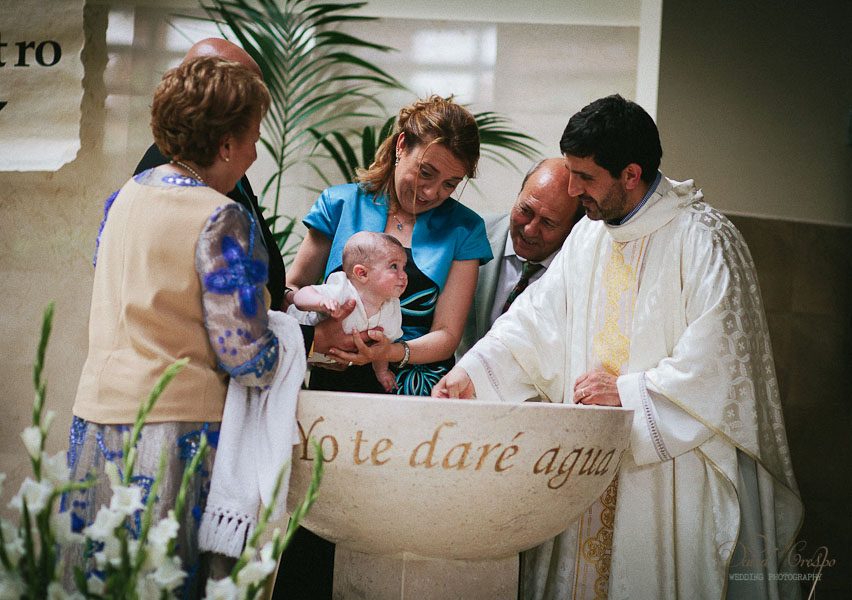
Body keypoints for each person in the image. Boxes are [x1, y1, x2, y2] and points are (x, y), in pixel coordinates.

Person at [433, 94, 803, 600]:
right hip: (585, 469)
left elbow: (719, 364)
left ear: (631, 174)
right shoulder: (588, 238)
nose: (571, 189)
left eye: (584, 177)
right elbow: (536, 323)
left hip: (667, 482)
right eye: (569, 171)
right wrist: (473, 373)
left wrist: (627, 394)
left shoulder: (705, 240)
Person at [62, 56, 276, 596]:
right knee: (158, 583)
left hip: (94, 417)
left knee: (93, 581)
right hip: (174, 429)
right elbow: (246, 355)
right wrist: (288, 341)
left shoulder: (126, 195)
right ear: (226, 144)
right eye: (252, 138)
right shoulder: (222, 217)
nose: (254, 152)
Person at [272, 95, 491, 599]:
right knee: (319, 528)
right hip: (333, 390)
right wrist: (313, 316)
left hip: (415, 390)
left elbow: (448, 335)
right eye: (427, 171)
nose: (434, 191)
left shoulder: (465, 230)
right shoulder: (340, 203)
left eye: (451, 183)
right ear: (400, 146)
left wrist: (389, 354)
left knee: (403, 540)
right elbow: (286, 288)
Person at [133, 37, 286, 309]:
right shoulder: (215, 215)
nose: (254, 154)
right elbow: (240, 335)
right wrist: (310, 337)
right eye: (254, 138)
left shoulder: (132, 193)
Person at [457, 158, 582, 357]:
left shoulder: (581, 276)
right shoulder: (469, 236)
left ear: (573, 228)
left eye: (548, 223)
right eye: (525, 210)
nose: (530, 230)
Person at [288, 231, 408, 391]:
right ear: (362, 273)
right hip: (292, 344)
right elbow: (300, 297)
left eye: (403, 267)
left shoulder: (391, 309)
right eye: (394, 267)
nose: (404, 275)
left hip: (332, 363)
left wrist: (382, 371)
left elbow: (379, 348)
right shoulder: (342, 290)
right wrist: (319, 301)